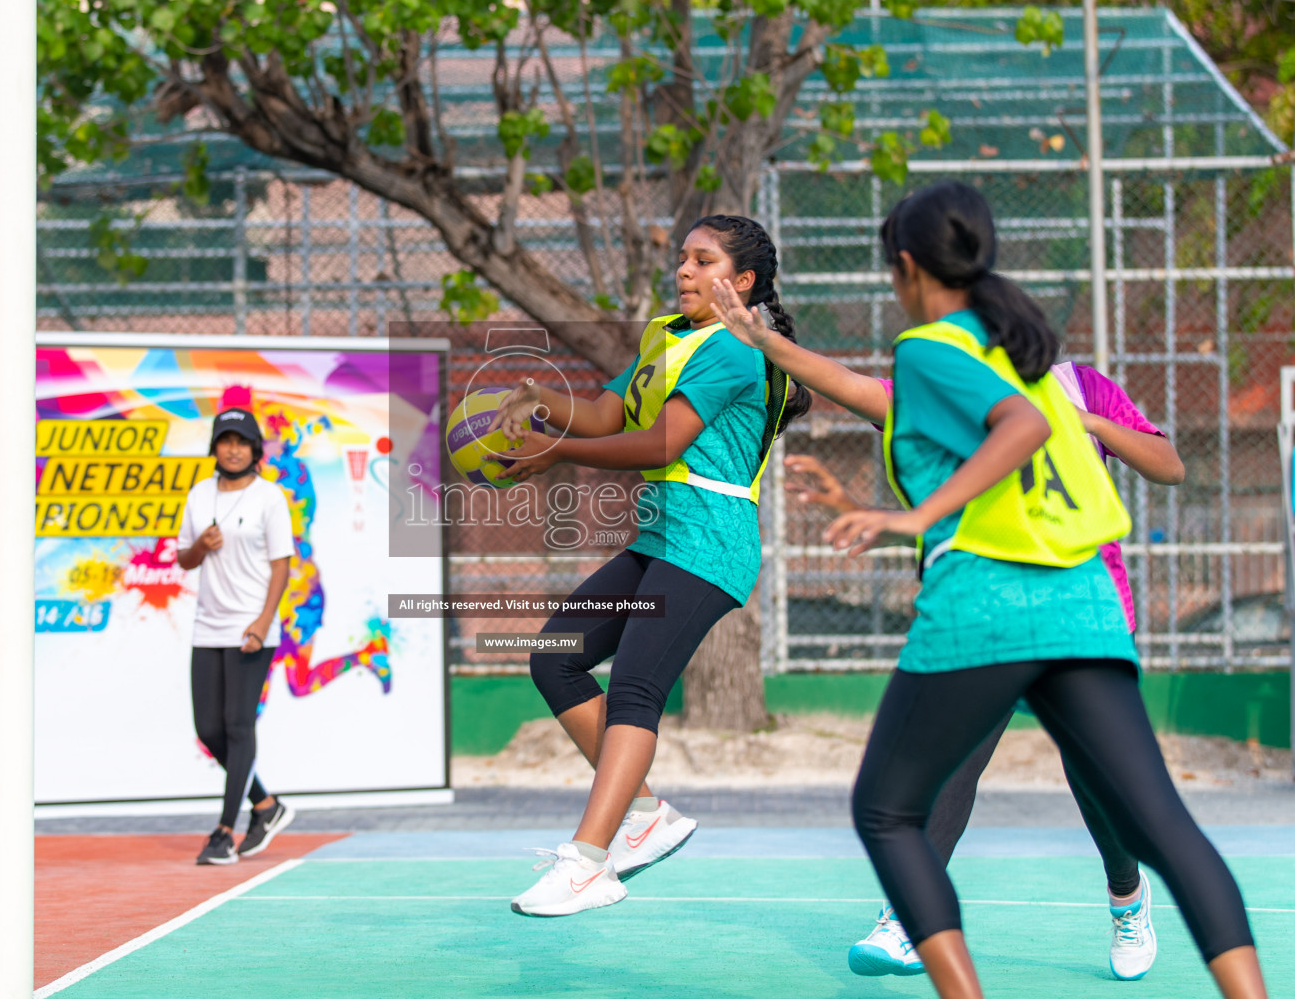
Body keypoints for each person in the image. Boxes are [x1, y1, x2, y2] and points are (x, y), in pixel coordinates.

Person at [715, 180, 1265, 999]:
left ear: (908, 268)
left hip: (996, 609)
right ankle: (910, 920)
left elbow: (1076, 442)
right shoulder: (1000, 372)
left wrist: (910, 517)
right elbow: (861, 391)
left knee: (897, 807)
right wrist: (770, 345)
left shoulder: (968, 365)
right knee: (1144, 822)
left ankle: (1114, 899)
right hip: (1077, 607)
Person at [484, 214, 810, 917]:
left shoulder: (737, 350)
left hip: (710, 543)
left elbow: (662, 443)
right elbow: (607, 415)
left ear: (742, 281)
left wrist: (556, 453)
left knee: (635, 687)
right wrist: (543, 403)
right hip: (662, 539)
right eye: (682, 259)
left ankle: (587, 864)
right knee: (555, 656)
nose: (684, 272)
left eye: (701, 261)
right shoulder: (670, 335)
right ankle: (645, 815)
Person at [784, 406, 1182, 979]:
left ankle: (1127, 895)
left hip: (1075, 615)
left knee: (1095, 780)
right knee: (952, 761)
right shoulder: (946, 384)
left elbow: (1170, 466)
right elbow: (858, 390)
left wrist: (1090, 424)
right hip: (985, 614)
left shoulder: (1078, 387)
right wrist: (767, 341)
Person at [176, 406, 298, 865]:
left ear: (255, 450)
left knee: (237, 724)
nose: (233, 449)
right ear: (214, 446)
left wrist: (265, 621)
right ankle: (266, 805)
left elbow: (281, 564)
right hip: (208, 625)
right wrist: (199, 547)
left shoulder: (269, 498)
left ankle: (225, 831)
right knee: (208, 729)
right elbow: (184, 560)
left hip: (251, 626)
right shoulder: (198, 495)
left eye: (242, 441)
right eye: (225, 440)